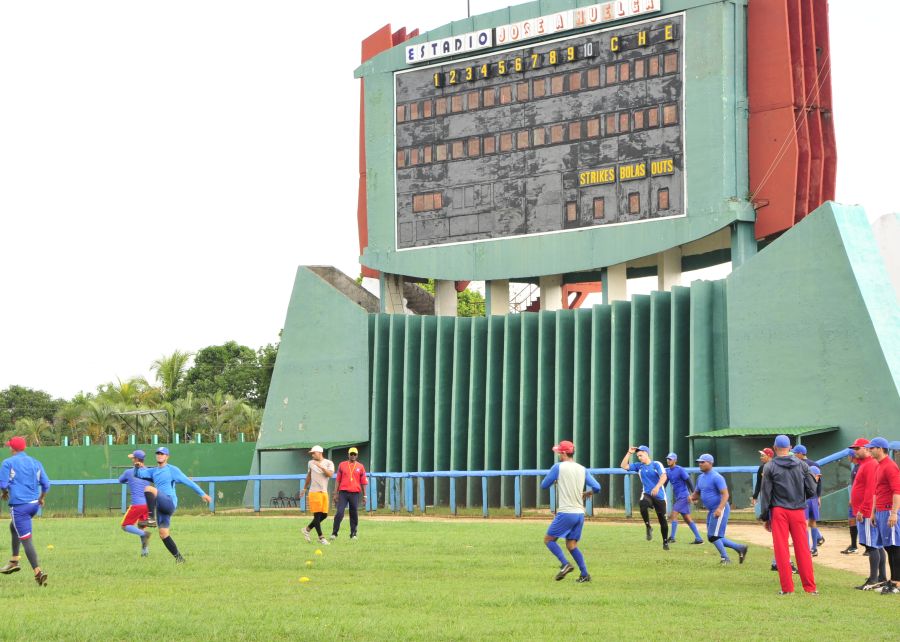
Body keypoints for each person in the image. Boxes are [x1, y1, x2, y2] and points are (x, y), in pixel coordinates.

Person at [758, 435, 817, 595]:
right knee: (803, 548)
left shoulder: (769, 467)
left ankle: (787, 589)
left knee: (781, 549)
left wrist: (765, 516)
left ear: (775, 448)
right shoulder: (802, 465)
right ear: (790, 447)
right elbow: (812, 490)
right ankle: (810, 588)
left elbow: (766, 493)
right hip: (798, 510)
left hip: (779, 511)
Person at [135, 447, 211, 563]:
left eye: (162, 454)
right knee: (163, 534)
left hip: (169, 502)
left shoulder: (172, 470)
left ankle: (150, 518)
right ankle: (180, 559)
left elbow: (188, 481)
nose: (160, 455)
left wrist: (202, 494)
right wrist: (137, 466)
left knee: (149, 488)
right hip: (161, 507)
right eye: (158, 453)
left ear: (167, 457)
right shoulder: (153, 471)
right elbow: (138, 474)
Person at [541, 440, 601, 583]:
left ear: (563, 453)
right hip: (579, 513)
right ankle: (585, 574)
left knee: (549, 540)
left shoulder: (558, 467)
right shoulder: (582, 468)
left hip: (566, 512)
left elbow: (544, 485)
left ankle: (565, 564)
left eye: (558, 453)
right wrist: (588, 493)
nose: (558, 455)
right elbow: (597, 487)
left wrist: (556, 480)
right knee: (571, 545)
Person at [0, 437, 50, 586]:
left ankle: (38, 573)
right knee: (13, 527)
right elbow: (46, 484)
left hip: (20, 507)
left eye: (9, 447)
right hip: (34, 505)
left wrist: (4, 492)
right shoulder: (35, 462)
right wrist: (41, 498)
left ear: (12, 449)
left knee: (26, 539)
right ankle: (14, 560)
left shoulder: (8, 462)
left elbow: (3, 483)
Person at [690, 454, 748, 565]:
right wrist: (690, 498)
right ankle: (740, 548)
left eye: (703, 462)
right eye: (699, 462)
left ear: (710, 463)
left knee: (713, 536)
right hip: (711, 510)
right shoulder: (700, 477)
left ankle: (725, 558)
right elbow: (696, 493)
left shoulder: (717, 477)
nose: (700, 464)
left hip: (719, 509)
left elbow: (725, 495)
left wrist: (720, 509)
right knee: (712, 536)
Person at [850, 438, 886, 590]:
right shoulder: (863, 464)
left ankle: (873, 579)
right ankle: (881, 577)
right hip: (865, 511)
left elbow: (871, 490)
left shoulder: (870, 464)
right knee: (876, 545)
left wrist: (863, 509)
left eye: (858, 448)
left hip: (866, 512)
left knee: (872, 546)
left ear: (866, 449)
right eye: (854, 448)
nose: (855, 451)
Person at [866, 437, 900, 595]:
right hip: (880, 511)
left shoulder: (890, 466)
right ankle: (893, 580)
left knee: (895, 547)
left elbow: (897, 491)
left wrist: (894, 513)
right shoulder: (879, 466)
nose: (869, 450)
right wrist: (873, 512)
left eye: (872, 448)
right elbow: (876, 491)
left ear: (880, 449)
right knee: (888, 547)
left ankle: (896, 583)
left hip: (888, 511)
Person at [620, 445, 669, 549]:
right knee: (643, 504)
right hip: (647, 493)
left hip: (659, 496)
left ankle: (665, 542)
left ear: (647, 454)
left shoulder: (656, 464)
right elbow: (624, 466)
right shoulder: (639, 466)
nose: (639, 457)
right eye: (638, 456)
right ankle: (648, 527)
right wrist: (629, 453)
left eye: (641, 455)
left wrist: (657, 487)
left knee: (663, 521)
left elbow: (664, 476)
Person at [118, 450, 152, 556]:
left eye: (133, 458)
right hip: (148, 505)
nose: (132, 460)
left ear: (136, 459)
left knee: (125, 525)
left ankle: (144, 534)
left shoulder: (129, 472)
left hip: (137, 505)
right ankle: (144, 552)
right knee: (141, 525)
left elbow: (120, 480)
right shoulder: (149, 471)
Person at [663, 453, 702, 544]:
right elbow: (665, 483)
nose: (669, 460)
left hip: (684, 496)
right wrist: (661, 492)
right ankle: (699, 538)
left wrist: (693, 495)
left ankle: (672, 537)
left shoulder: (680, 470)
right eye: (668, 459)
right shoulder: (668, 471)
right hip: (679, 497)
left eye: (671, 459)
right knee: (687, 519)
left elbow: (688, 481)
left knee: (674, 514)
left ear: (675, 460)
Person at [299, 445, 334, 546]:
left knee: (324, 515)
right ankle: (321, 538)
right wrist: (304, 488)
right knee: (317, 515)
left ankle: (306, 529)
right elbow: (309, 476)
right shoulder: (310, 463)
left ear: (320, 453)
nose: (312, 455)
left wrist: (321, 466)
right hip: (314, 492)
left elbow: (330, 475)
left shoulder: (328, 463)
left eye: (314, 453)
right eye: (311, 453)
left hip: (324, 492)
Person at [330, 447, 368, 541]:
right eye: (351, 454)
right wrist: (335, 493)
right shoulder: (342, 465)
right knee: (339, 512)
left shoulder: (360, 466)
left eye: (355, 454)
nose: (353, 456)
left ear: (357, 455)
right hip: (343, 492)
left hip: (355, 493)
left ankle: (353, 534)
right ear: (348, 454)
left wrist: (365, 495)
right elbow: (338, 480)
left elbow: (363, 482)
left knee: (354, 513)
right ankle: (334, 533)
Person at [841, 438, 869, 555]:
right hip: (855, 501)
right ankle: (854, 545)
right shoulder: (856, 467)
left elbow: (866, 486)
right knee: (852, 521)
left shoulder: (861, 466)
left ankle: (868, 547)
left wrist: (854, 499)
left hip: (861, 503)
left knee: (860, 522)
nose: (849, 457)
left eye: (850, 455)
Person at [807, 466, 823, 556]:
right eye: (816, 475)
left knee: (813, 522)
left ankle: (814, 548)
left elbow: (819, 487)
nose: (818, 477)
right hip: (805, 501)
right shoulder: (805, 479)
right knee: (805, 524)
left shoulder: (818, 480)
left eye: (818, 476)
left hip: (814, 500)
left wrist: (818, 498)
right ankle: (807, 548)